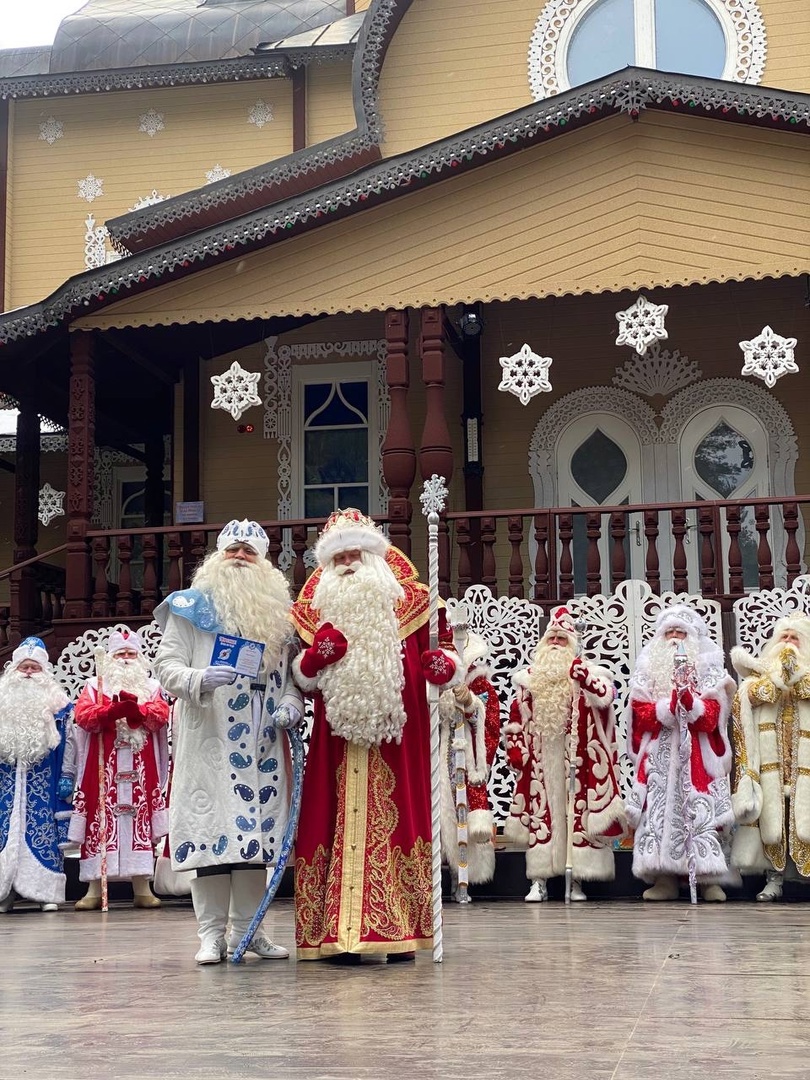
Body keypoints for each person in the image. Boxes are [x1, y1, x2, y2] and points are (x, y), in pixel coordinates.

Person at [290, 508, 460, 962]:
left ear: (375, 558)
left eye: (356, 553)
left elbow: (444, 655)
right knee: (331, 815)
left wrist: (442, 667)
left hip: (398, 734)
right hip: (335, 737)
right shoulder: (314, 613)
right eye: (338, 556)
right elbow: (301, 675)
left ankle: (403, 927)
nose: (347, 563)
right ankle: (336, 935)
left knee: (400, 819)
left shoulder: (416, 603)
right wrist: (313, 660)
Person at [154, 519, 303, 964]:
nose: (239, 558)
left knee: (256, 843)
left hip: (262, 743)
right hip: (210, 738)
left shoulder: (280, 616)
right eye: (232, 551)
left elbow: (291, 676)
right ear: (217, 557)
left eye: (248, 552)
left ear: (264, 562)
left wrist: (292, 703)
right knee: (212, 836)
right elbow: (166, 667)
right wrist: (200, 678)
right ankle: (211, 935)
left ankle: (249, 931)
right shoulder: (189, 608)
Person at [503, 606, 626, 902]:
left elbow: (606, 699)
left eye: (561, 639)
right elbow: (516, 719)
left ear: (572, 644)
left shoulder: (588, 673)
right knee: (541, 816)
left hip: (579, 760)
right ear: (543, 644)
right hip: (541, 760)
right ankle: (539, 880)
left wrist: (583, 679)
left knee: (576, 815)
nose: (556, 643)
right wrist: (516, 751)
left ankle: (577, 880)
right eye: (552, 638)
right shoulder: (528, 680)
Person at [625, 603, 736, 901]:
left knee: (701, 812)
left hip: (697, 755)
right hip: (660, 753)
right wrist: (667, 708)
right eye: (669, 631)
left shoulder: (710, 667)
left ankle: (709, 878)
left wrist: (690, 703)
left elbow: (713, 715)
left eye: (681, 632)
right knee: (658, 814)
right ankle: (664, 878)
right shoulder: (647, 668)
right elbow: (638, 712)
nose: (674, 637)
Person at [69, 628, 169, 910]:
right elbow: (82, 716)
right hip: (103, 767)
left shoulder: (151, 686)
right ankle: (92, 887)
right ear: (111, 657)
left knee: (141, 821)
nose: (126, 658)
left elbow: (161, 715)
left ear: (139, 656)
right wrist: (108, 713)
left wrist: (140, 712)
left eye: (130, 653)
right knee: (98, 823)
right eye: (120, 654)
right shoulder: (94, 685)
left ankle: (142, 886)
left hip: (141, 765)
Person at [730, 615, 810, 901]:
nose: (788, 644)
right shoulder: (760, 678)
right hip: (771, 768)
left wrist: (797, 679)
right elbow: (744, 700)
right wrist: (778, 680)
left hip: (806, 768)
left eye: (794, 638)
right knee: (773, 824)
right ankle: (773, 880)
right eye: (784, 637)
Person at [0, 637, 74, 913]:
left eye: (34, 668)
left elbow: (70, 743)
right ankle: (3, 893)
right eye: (24, 667)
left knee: (45, 833)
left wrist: (68, 774)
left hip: (43, 782)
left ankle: (46, 892)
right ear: (14, 669)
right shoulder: (2, 701)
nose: (29, 672)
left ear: (44, 672)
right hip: (5, 785)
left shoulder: (59, 705)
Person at [438, 629, 501, 901]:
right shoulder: (430, 680)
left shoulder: (480, 684)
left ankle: (460, 877)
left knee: (462, 814)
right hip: (434, 754)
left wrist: (470, 704)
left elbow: (490, 723)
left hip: (462, 759)